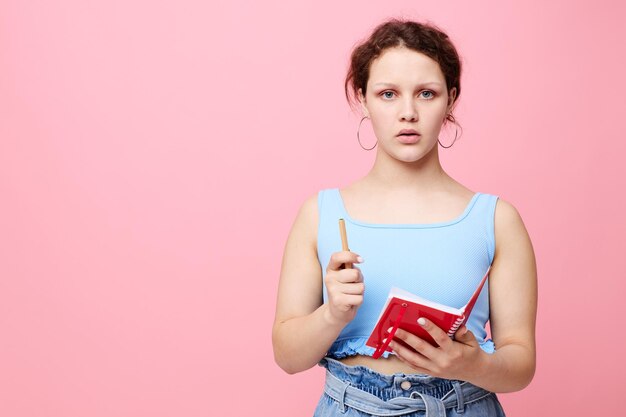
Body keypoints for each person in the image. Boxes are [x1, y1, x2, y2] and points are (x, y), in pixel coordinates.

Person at [272, 18, 537, 417]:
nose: (408, 112)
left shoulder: (497, 220)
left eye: (426, 93)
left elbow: (521, 365)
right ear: (362, 98)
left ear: (451, 98)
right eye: (388, 94)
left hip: (462, 406)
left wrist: (472, 364)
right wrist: (331, 315)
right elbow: (287, 357)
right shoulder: (319, 214)